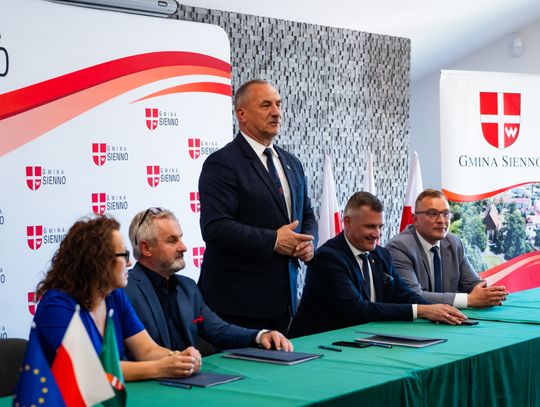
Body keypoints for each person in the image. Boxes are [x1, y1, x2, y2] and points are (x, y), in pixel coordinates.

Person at [198, 79, 318, 333]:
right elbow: (215, 227)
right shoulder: (222, 163)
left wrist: (308, 242)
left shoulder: (292, 163)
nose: (276, 112)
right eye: (266, 105)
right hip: (236, 308)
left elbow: (307, 214)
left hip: (285, 303)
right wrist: (274, 240)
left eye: (278, 104)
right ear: (241, 114)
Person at [33, 216, 202, 381]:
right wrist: (159, 368)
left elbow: (147, 350)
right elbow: (90, 370)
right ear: (99, 261)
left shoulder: (114, 295)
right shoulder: (56, 306)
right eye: (124, 255)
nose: (129, 263)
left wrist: (179, 357)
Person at [288, 192, 466, 338]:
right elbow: (358, 310)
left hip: (362, 339)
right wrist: (421, 311)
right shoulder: (328, 258)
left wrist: (438, 311)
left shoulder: (381, 255)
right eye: (370, 226)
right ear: (347, 222)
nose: (377, 234)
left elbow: (403, 294)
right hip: (316, 346)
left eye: (380, 226)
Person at [125, 208, 292, 354]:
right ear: (146, 248)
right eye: (172, 240)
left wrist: (260, 336)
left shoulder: (188, 287)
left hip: (190, 374)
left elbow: (218, 330)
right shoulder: (125, 291)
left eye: (180, 238)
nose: (183, 247)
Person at [386, 189, 508, 308]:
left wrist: (486, 293)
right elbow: (413, 296)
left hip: (449, 317)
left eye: (446, 213)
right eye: (433, 214)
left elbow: (472, 284)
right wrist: (469, 300)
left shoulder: (454, 243)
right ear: (415, 219)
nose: (441, 220)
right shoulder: (399, 247)